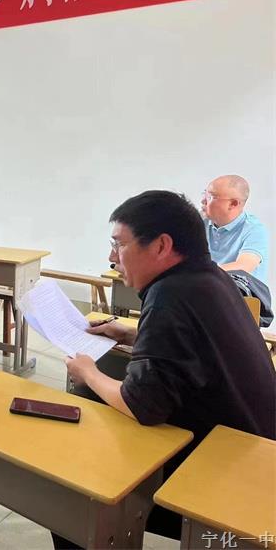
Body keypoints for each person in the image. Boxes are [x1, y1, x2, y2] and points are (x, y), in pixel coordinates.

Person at [58, 190, 275, 549]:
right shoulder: (209, 277)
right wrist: (130, 332)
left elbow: (143, 405)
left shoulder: (171, 296)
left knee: (74, 491)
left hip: (222, 472)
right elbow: (195, 343)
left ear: (161, 246)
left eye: (119, 244)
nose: (112, 257)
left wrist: (88, 371)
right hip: (253, 444)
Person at [201, 174, 269, 282]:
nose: (203, 201)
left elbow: (243, 266)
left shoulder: (254, 229)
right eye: (204, 194)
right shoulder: (200, 222)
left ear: (233, 204)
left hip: (240, 289)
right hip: (208, 285)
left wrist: (200, 273)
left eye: (211, 197)